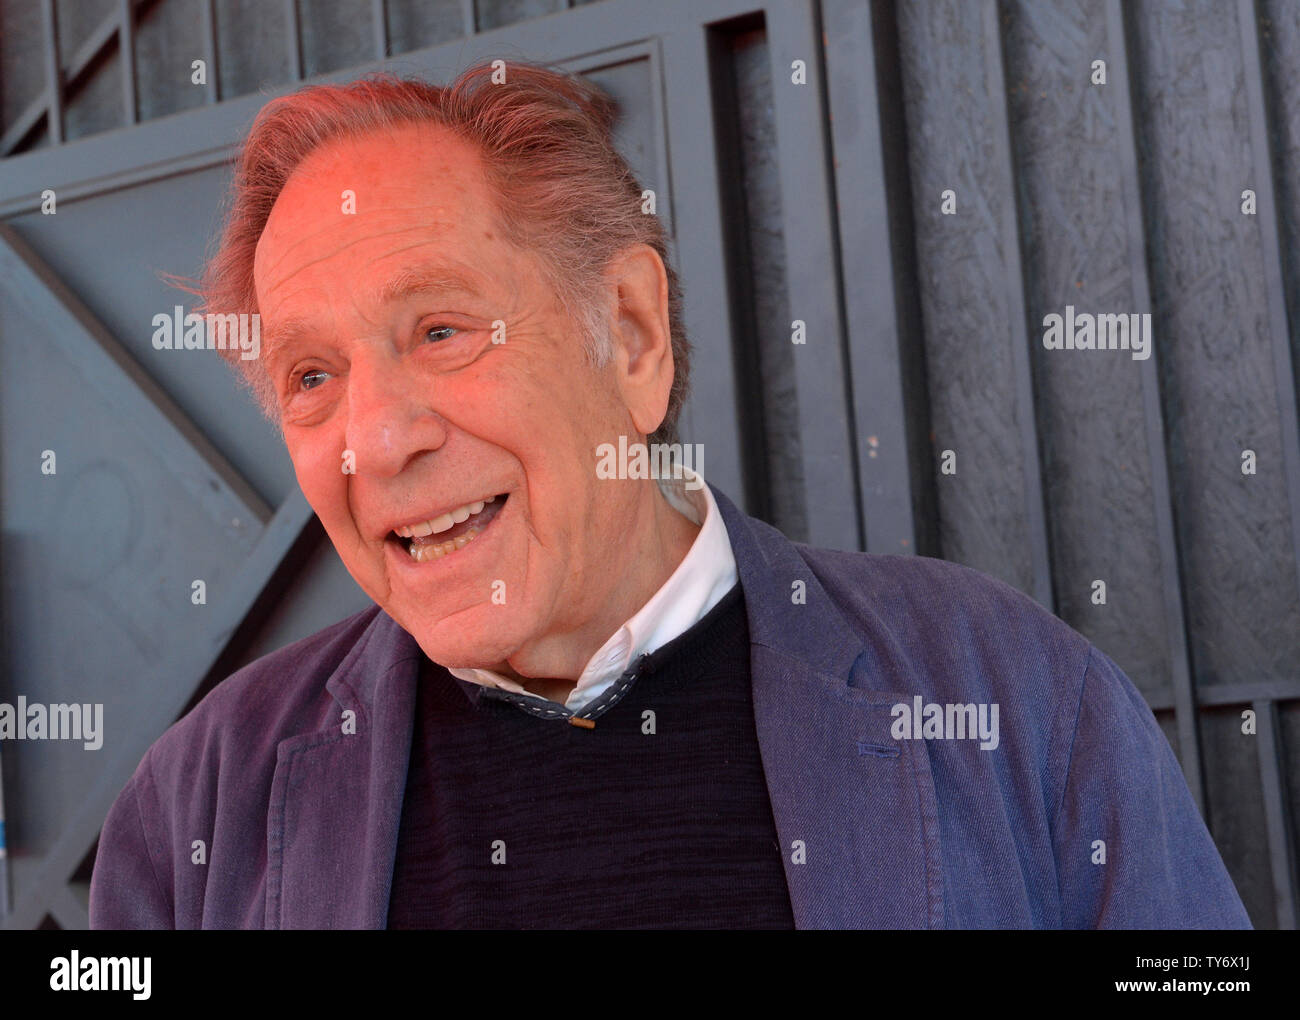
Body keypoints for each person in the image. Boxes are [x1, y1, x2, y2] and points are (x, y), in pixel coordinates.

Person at [89, 61, 1250, 929]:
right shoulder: (195, 804)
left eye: (441, 330)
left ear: (632, 336)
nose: (376, 439)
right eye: (310, 378)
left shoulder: (1013, 700)